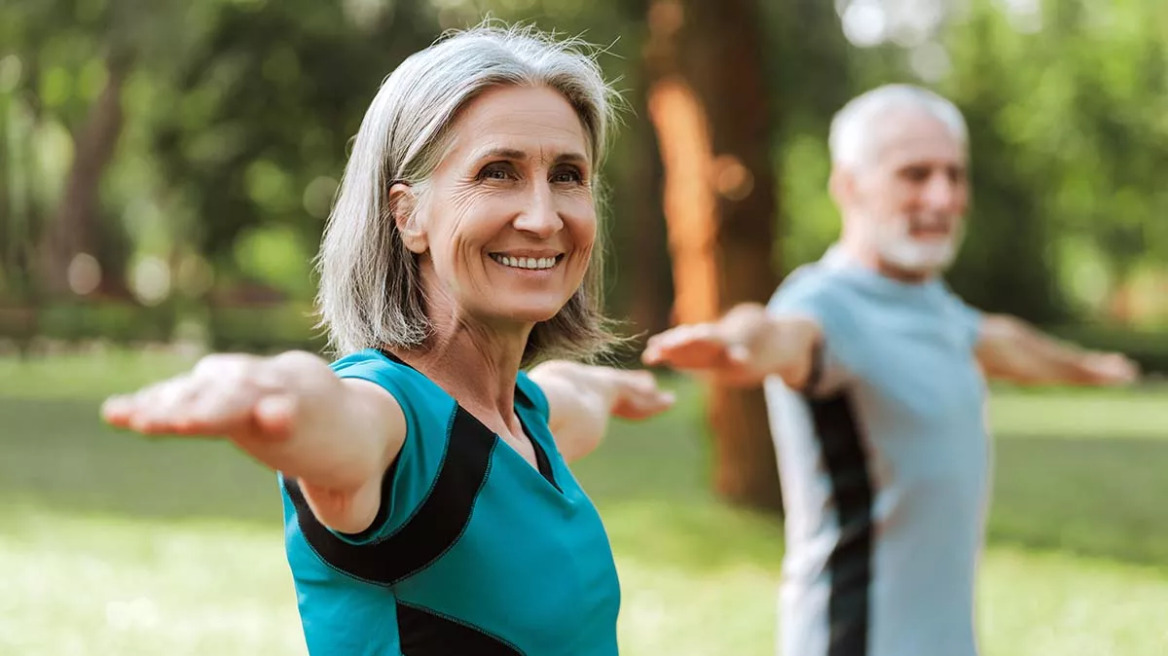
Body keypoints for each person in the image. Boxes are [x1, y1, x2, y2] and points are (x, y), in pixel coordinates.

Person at [103, 25, 675, 656]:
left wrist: (612, 386)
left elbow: (570, 395)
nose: (542, 217)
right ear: (408, 216)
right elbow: (337, 417)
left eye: (567, 175)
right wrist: (279, 394)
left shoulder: (525, 417)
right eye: (498, 172)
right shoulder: (395, 421)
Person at [642, 84, 1139, 656]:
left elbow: (1002, 341)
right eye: (915, 174)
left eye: (955, 175)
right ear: (849, 186)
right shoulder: (826, 305)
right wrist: (732, 344)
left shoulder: (930, 302)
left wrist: (1092, 367)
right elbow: (774, 332)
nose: (943, 196)